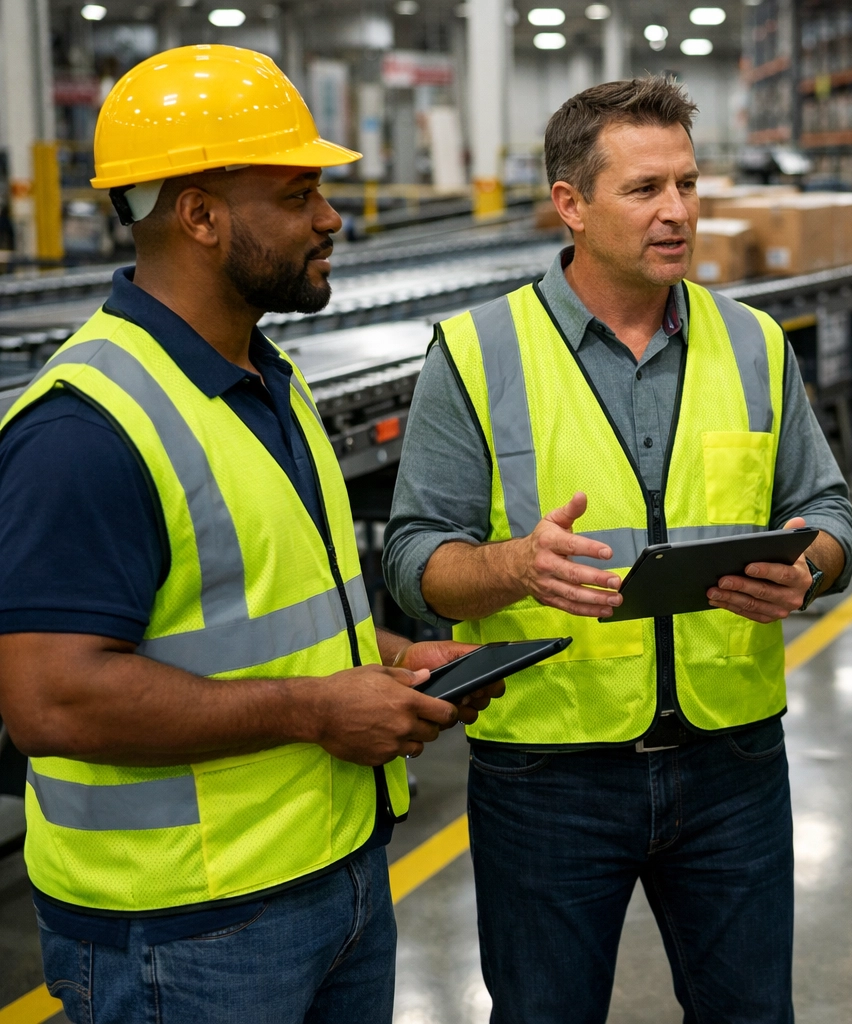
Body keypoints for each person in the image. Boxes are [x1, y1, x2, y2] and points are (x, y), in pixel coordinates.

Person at [0, 46, 501, 1024]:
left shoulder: (268, 379)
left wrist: (392, 658)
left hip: (333, 874)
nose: (331, 217)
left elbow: (258, 605)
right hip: (182, 932)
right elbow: (48, 701)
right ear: (199, 214)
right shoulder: (85, 429)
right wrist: (319, 709)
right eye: (300, 192)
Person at [383, 77, 852, 1024]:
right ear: (572, 204)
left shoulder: (756, 344)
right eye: (645, 189)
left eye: (687, 183)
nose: (677, 211)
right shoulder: (479, 351)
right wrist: (513, 566)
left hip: (734, 765)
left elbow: (830, 511)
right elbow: (410, 557)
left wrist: (807, 571)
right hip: (549, 776)